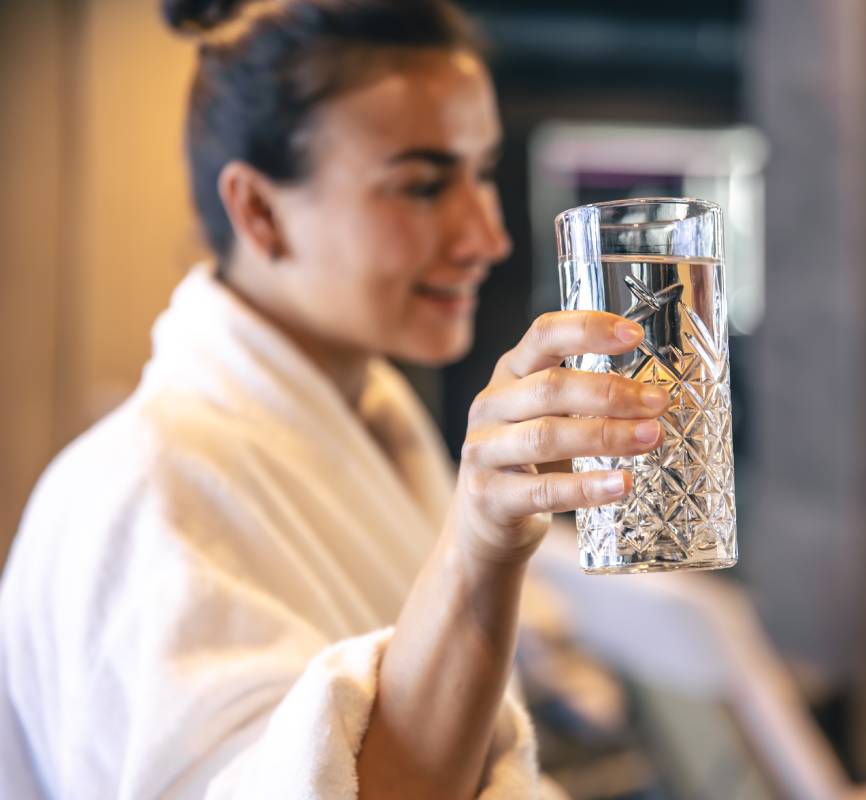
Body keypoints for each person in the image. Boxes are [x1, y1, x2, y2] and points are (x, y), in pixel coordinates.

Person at [0, 0, 671, 797]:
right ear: (258, 210)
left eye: (481, 174)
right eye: (423, 185)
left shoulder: (378, 433)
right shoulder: (140, 491)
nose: (485, 237)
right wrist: (475, 552)